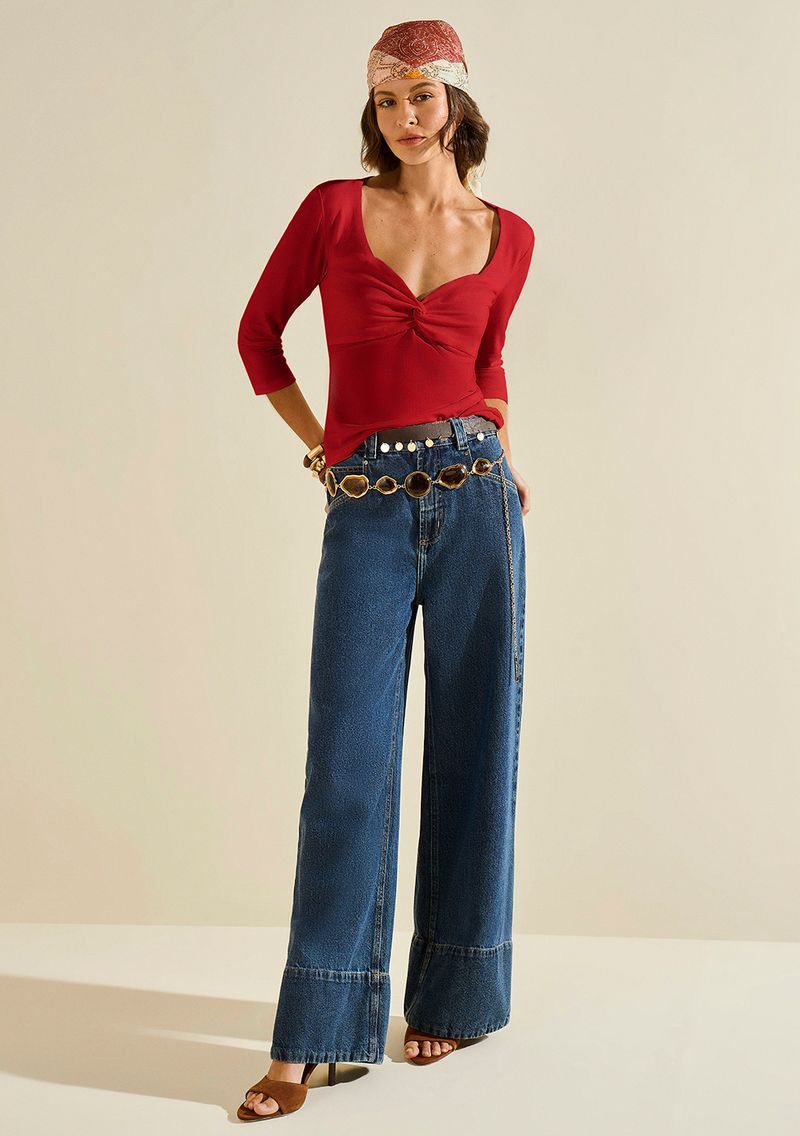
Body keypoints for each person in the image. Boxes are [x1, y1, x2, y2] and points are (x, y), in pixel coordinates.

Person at [235, 18, 535, 1121]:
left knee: (476, 749)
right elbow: (258, 336)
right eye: (387, 100)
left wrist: (504, 453)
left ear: (456, 103)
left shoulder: (510, 236)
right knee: (348, 769)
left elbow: (487, 361)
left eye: (422, 96)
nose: (405, 117)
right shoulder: (332, 210)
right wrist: (326, 451)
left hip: (478, 502)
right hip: (365, 506)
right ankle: (316, 1034)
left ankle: (454, 992)